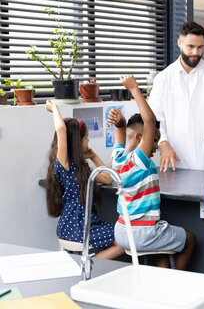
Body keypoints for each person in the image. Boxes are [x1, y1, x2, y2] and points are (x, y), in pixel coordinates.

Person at [109, 75, 195, 269]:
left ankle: (160, 282)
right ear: (141, 138)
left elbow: (121, 131)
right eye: (154, 140)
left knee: (162, 250)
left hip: (122, 231)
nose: (155, 146)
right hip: (143, 234)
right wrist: (134, 89)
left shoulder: (117, 158)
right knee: (189, 239)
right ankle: (175, 281)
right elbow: (150, 120)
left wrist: (120, 121)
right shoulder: (139, 159)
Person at [149, 21, 204, 172]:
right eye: (191, 46)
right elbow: (155, 117)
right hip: (175, 158)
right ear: (179, 43)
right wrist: (163, 142)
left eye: (200, 47)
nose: (196, 52)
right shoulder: (163, 78)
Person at [45, 100, 124, 260]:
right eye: (86, 138)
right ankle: (87, 265)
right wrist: (54, 108)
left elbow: (108, 179)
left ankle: (88, 265)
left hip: (84, 226)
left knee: (122, 237)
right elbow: (61, 129)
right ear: (76, 142)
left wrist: (94, 156)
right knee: (123, 241)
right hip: (75, 228)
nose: (88, 142)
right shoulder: (65, 165)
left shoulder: (81, 168)